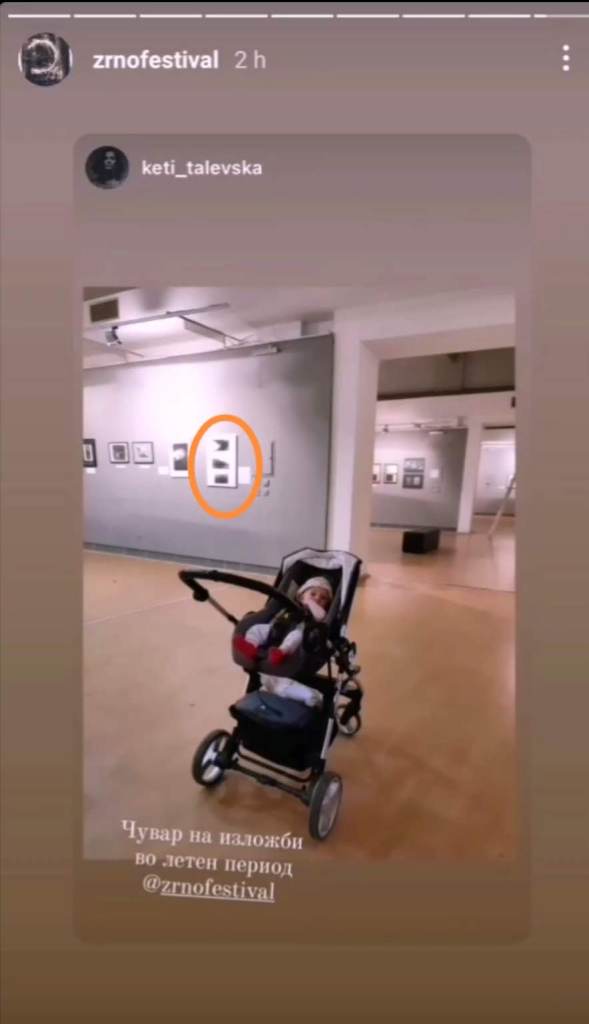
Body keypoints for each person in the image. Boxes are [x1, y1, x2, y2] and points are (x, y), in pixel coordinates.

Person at [233, 577, 333, 708]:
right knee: (257, 629)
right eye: (313, 594)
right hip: (275, 631)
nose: (317, 598)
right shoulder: (289, 606)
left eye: (323, 598)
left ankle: (281, 652)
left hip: (295, 639)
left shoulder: (316, 614)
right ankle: (251, 647)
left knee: (296, 635)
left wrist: (310, 602)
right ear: (301, 595)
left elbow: (321, 616)